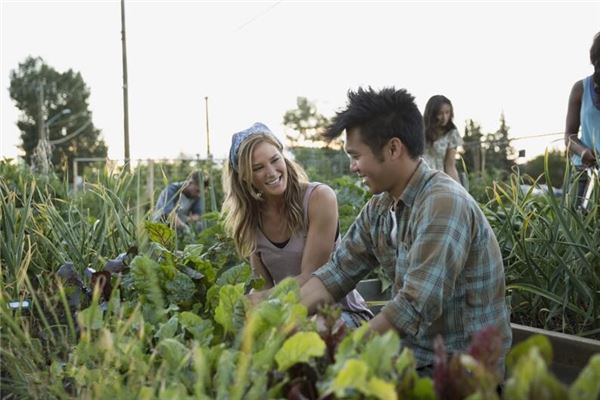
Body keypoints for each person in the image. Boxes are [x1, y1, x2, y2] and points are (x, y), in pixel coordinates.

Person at [298, 87, 512, 376]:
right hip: (412, 355)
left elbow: (414, 306)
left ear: (393, 148)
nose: (353, 167)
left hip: (461, 369)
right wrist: (280, 320)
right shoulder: (380, 208)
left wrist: (348, 348)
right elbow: (335, 273)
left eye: (356, 156)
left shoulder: (443, 203)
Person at [222, 122, 373, 327]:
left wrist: (261, 299)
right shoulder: (251, 219)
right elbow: (262, 285)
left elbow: (312, 277)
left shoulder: (318, 198)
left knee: (307, 332)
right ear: (245, 177)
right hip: (288, 316)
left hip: (338, 313)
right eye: (258, 168)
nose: (271, 172)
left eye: (275, 160)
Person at [565, 32, 600, 204]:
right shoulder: (581, 89)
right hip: (584, 172)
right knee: (579, 222)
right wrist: (583, 151)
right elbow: (569, 136)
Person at [422, 95, 462, 182]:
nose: (444, 117)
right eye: (440, 113)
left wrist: (457, 188)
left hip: (439, 180)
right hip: (420, 177)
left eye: (447, 112)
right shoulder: (419, 129)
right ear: (432, 113)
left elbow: (450, 165)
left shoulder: (452, 133)